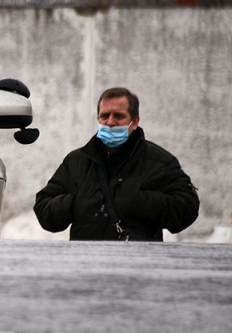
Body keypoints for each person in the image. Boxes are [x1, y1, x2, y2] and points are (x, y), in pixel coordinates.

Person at [34, 87, 199, 241]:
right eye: (104, 116)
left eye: (118, 116)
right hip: (85, 263)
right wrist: (74, 204)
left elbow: (187, 209)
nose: (110, 122)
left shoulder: (160, 162)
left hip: (139, 264)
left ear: (134, 122)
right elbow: (43, 208)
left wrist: (139, 201)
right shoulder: (76, 161)